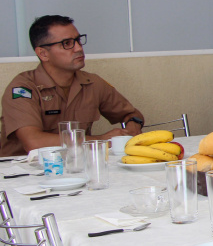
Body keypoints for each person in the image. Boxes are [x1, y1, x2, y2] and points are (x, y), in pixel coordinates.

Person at [0, 16, 143, 157]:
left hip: (77, 166)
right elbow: (34, 142)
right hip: (23, 172)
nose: (78, 48)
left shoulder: (92, 82)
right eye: (67, 43)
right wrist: (101, 140)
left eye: (78, 40)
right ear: (43, 54)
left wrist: (131, 128)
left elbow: (132, 114)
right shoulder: (23, 89)